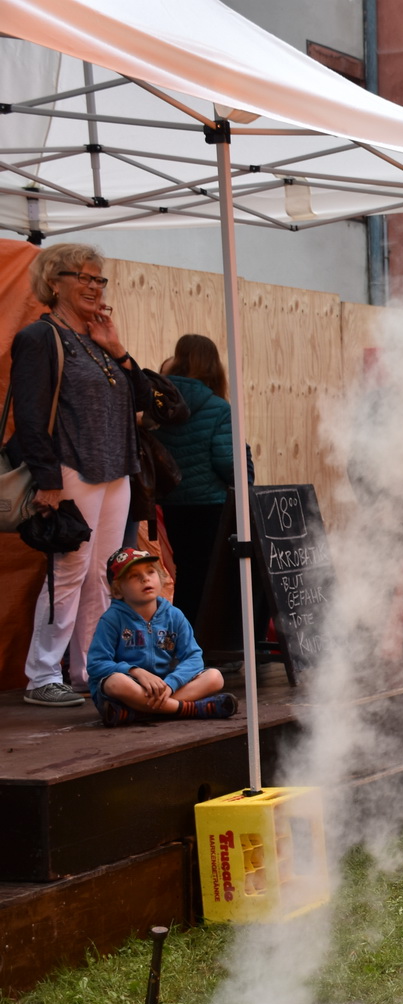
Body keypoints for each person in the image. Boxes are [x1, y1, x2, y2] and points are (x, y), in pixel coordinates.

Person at [7, 244, 154, 708]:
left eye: (99, 279)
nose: (94, 287)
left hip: (116, 470)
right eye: (84, 278)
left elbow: (145, 401)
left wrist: (118, 349)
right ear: (55, 283)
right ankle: (42, 675)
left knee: (103, 575)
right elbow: (30, 415)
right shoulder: (39, 337)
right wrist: (48, 478)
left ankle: (90, 668)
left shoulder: (96, 339)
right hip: (72, 469)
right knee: (68, 572)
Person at [86, 547, 236, 726]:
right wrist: (135, 672)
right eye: (134, 576)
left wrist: (171, 684)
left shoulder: (174, 615)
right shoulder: (112, 619)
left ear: (161, 577)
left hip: (164, 687)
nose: (145, 579)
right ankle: (191, 709)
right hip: (131, 688)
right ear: (118, 591)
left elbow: (193, 658)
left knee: (215, 677)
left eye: (150, 571)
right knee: (115, 683)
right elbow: (96, 664)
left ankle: (139, 713)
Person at [152, 334, 235, 627]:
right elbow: (227, 461)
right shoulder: (218, 407)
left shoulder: (161, 404)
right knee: (215, 576)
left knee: (186, 572)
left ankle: (183, 636)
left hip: (174, 502)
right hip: (212, 504)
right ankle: (210, 639)